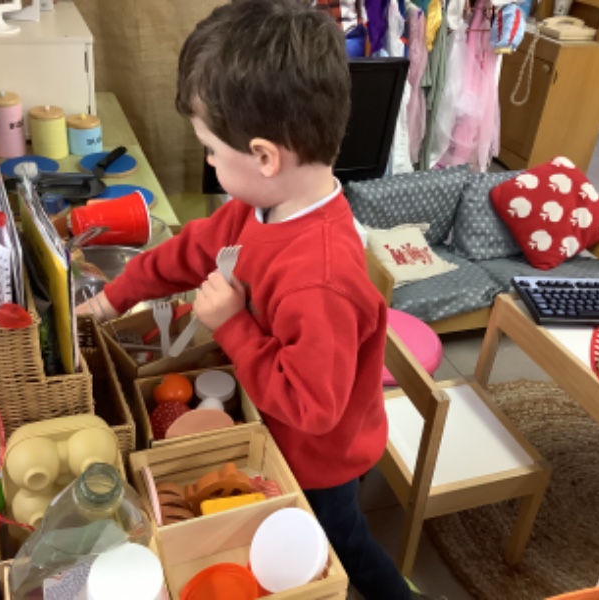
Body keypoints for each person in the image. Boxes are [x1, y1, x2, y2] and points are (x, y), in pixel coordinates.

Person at [77, 1, 414, 597]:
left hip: (318, 458)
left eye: (210, 149)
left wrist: (232, 325)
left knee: (340, 546)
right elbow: (188, 250)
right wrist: (110, 301)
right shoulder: (260, 207)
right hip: (274, 423)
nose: (209, 160)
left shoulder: (320, 280)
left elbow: (313, 409)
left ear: (263, 156)